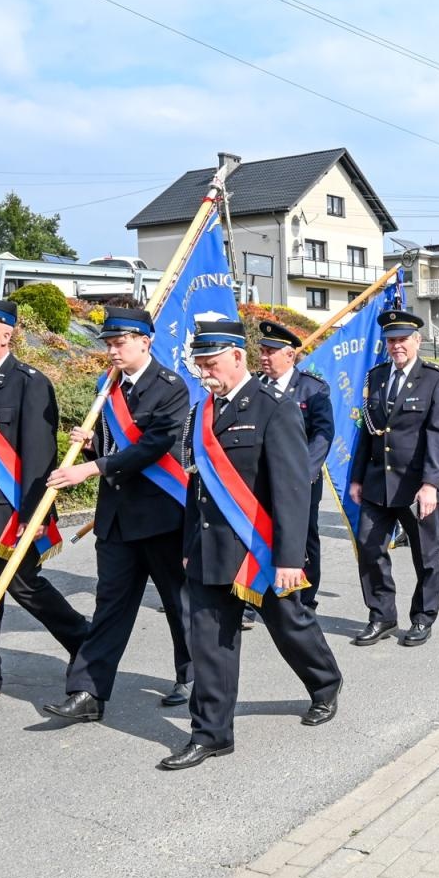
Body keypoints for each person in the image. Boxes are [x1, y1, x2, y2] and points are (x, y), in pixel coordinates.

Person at [160, 318, 342, 771]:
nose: (205, 373)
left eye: (212, 363)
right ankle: (212, 733)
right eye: (201, 365)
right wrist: (188, 544)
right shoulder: (201, 413)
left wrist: (288, 557)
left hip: (260, 550)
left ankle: (325, 682)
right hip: (210, 547)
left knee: (289, 624)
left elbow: (291, 490)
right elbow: (197, 487)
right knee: (209, 642)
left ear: (237, 356)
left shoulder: (274, 408)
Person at [0, 296, 91, 713]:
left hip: (12, 510)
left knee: (24, 586)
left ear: (6, 335)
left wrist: (35, 514)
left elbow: (40, 455)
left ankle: (84, 640)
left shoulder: (30, 383)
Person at [41, 306, 192, 723]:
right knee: (110, 606)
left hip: (161, 516)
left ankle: (192, 674)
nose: (112, 351)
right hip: (115, 519)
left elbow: (153, 447)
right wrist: (92, 445)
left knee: (178, 602)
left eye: (119, 342)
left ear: (145, 341)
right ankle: (88, 692)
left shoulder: (171, 387)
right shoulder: (106, 387)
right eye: (108, 343)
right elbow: (114, 447)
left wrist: (91, 467)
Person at [348, 309, 439, 647]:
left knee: (426, 555)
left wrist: (430, 484)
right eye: (391, 340)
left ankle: (423, 617)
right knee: (369, 548)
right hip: (377, 483)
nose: (396, 346)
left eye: (402, 339)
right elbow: (366, 431)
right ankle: (382, 615)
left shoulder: (435, 380)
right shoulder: (377, 376)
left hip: (415, 486)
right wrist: (356, 478)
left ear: (417, 341)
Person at [256, 320, 334, 607]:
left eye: (270, 352)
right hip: (261, 478)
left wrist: (304, 474)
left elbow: (323, 435)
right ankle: (258, 595)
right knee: (260, 532)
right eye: (262, 351)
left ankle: (306, 599)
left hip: (300, 481)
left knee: (303, 537)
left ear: (289, 355)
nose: (264, 357)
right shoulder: (255, 386)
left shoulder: (312, 389)